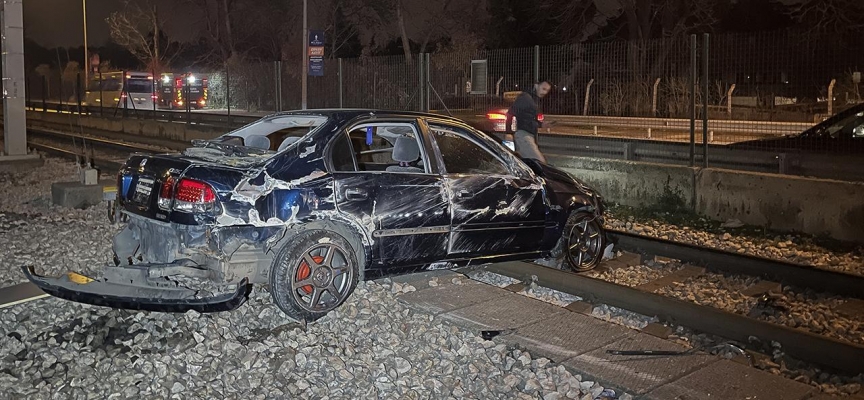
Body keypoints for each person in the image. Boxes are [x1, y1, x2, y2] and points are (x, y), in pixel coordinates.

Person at [505, 80, 551, 163]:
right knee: (539, 162)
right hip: (524, 135)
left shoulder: (532, 99)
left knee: (528, 163)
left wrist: (541, 124)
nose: (545, 92)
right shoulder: (525, 98)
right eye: (543, 89)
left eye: (547, 90)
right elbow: (510, 114)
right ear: (536, 86)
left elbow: (528, 118)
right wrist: (508, 133)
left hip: (528, 135)